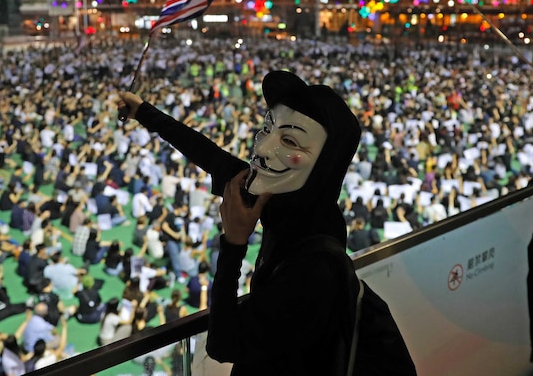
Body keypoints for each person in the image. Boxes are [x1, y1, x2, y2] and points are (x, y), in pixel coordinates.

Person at [119, 70, 377, 374]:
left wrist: (234, 243)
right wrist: (143, 112)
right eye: (267, 129)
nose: (263, 148)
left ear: (323, 165)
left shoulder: (315, 269)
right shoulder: (285, 201)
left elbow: (223, 344)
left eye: (290, 140)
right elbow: (211, 156)